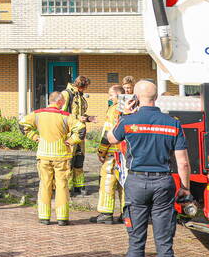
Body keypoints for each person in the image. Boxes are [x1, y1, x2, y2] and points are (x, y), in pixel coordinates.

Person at [107, 79, 190, 257]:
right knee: (164, 242)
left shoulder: (129, 121)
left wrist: (124, 114)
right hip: (164, 183)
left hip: (136, 183)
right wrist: (184, 188)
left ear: (134, 95)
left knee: (136, 240)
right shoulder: (172, 124)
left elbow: (111, 139)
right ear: (156, 98)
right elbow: (182, 162)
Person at [20, 91, 84, 225]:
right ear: (60, 102)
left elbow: (22, 124)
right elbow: (81, 129)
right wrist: (71, 141)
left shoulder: (38, 114)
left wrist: (35, 137)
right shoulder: (66, 116)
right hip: (61, 156)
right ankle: (62, 218)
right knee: (62, 186)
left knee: (45, 185)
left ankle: (44, 217)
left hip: (44, 155)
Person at [90, 84, 130, 224]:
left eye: (111, 95)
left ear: (118, 96)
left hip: (113, 153)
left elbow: (108, 132)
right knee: (124, 183)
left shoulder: (113, 110)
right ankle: (127, 213)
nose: (109, 98)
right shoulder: (131, 109)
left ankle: (106, 213)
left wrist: (101, 151)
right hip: (127, 153)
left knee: (108, 181)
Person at [61, 75, 91, 196]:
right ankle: (65, 188)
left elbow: (80, 112)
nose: (86, 90)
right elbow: (62, 114)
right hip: (70, 134)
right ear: (80, 85)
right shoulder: (67, 94)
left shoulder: (80, 96)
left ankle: (79, 186)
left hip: (80, 132)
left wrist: (88, 118)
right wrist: (78, 118)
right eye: (85, 87)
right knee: (68, 161)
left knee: (79, 159)